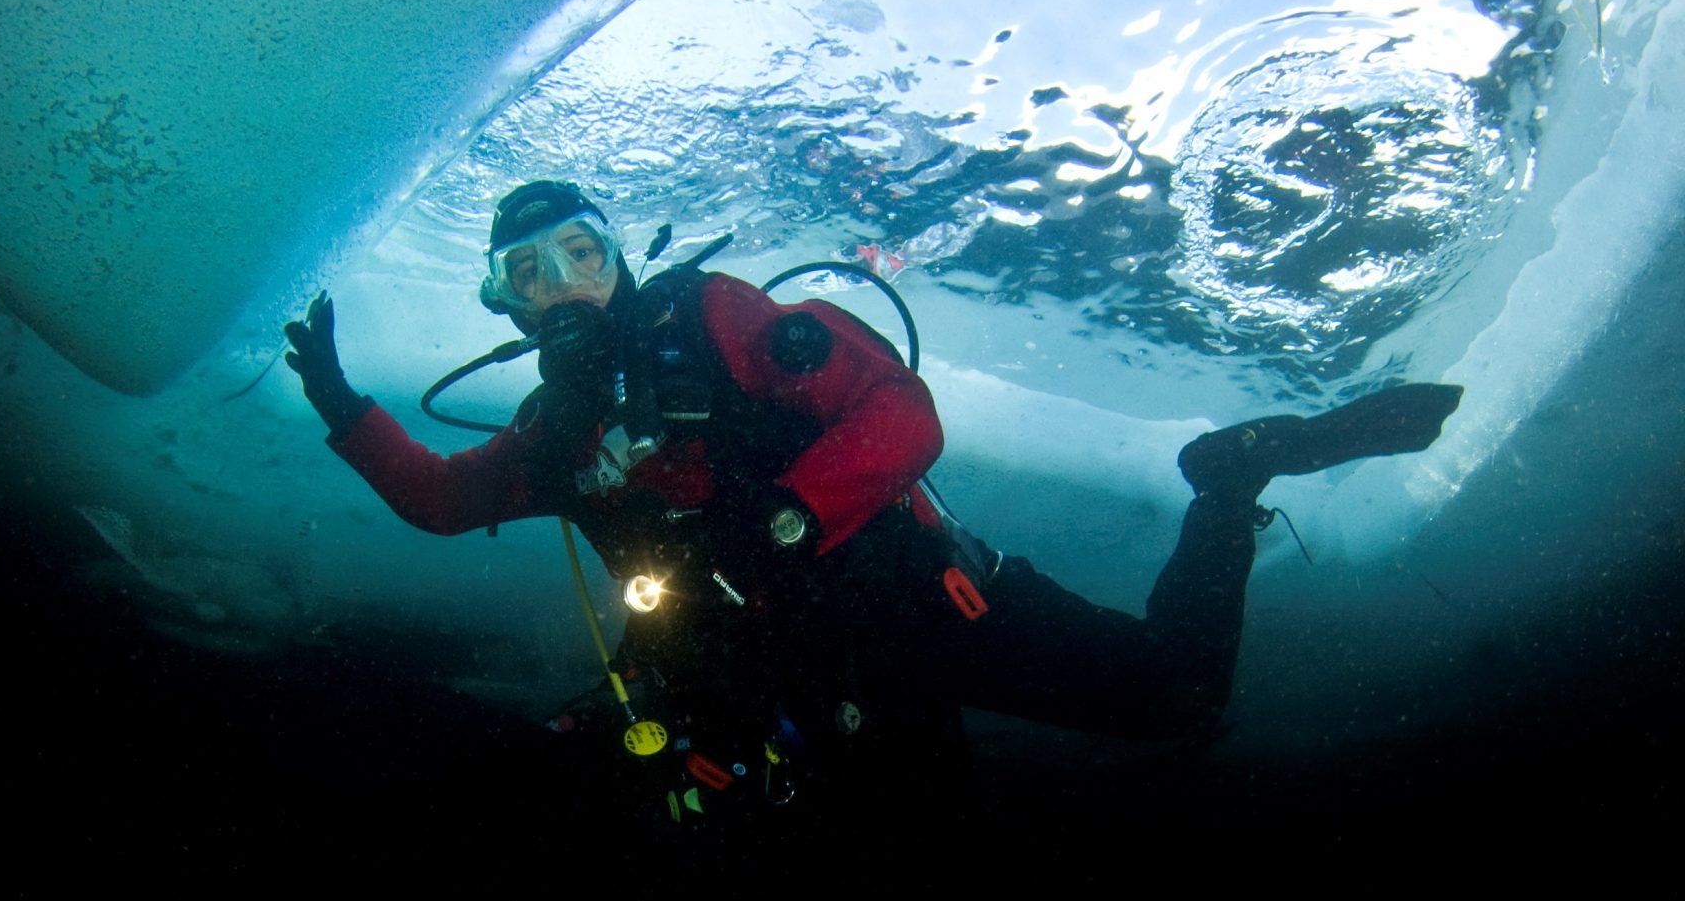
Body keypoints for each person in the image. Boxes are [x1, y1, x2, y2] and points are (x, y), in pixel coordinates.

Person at [283, 180, 1463, 860]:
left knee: (1178, 699)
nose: (564, 288)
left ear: (617, 259)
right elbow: (443, 503)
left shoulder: (719, 320)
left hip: (927, 602)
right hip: (796, 681)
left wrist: (785, 525)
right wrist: (344, 407)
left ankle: (1225, 480)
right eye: (529, 274)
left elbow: (900, 415)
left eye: (581, 253)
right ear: (502, 298)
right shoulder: (554, 432)